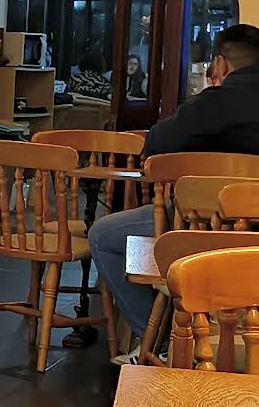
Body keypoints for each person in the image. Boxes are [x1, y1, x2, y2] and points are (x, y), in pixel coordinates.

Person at [89, 22, 259, 341]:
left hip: (205, 231)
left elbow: (154, 144)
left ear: (220, 64)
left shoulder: (215, 104)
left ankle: (164, 341)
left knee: (102, 236)